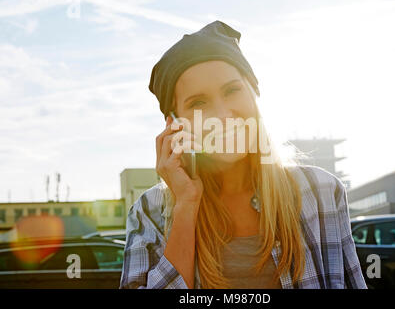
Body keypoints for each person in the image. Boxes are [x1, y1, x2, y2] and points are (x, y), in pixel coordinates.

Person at [119, 20, 367, 289]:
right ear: (175, 123)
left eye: (232, 90)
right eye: (198, 103)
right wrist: (186, 206)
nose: (223, 115)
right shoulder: (149, 212)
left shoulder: (322, 192)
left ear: (254, 94)